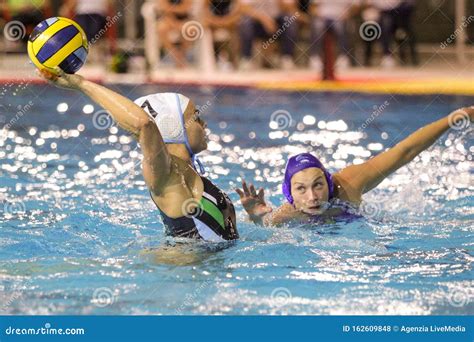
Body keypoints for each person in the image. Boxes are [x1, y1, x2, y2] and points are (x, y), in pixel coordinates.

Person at [38, 67, 239, 242]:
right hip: (185, 276)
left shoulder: (192, 173)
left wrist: (261, 217)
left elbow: (225, 236)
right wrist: (81, 83)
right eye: (196, 117)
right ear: (173, 124)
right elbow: (143, 125)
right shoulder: (167, 173)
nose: (203, 124)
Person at [237, 107, 474, 226]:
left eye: (318, 185)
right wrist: (256, 216)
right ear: (290, 194)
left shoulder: (349, 184)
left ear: (328, 182)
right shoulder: (288, 213)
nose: (312, 197)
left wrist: (454, 118)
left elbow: (404, 152)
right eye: (301, 189)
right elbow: (264, 224)